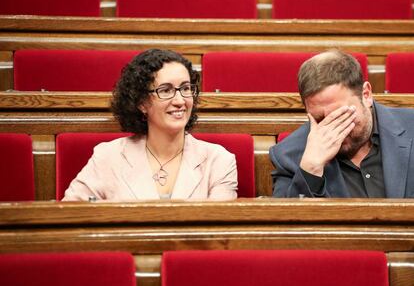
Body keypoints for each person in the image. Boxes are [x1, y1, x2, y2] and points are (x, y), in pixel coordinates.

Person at [63, 49, 238, 201]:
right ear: (141, 102)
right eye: (166, 90)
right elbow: (70, 214)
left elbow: (219, 231)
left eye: (185, 88)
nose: (179, 101)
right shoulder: (108, 157)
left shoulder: (218, 160)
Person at [270, 49, 414, 198]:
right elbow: (286, 219)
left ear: (366, 95)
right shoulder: (289, 155)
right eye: (320, 119)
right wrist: (310, 170)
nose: (332, 128)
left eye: (341, 115)